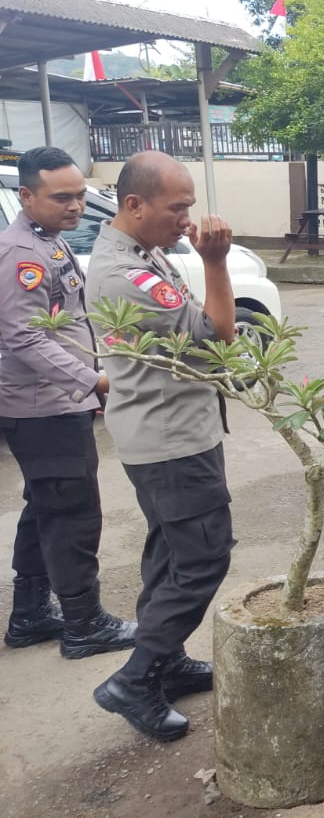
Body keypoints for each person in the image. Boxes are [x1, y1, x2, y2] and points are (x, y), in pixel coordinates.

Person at [86, 151, 237, 742]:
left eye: (189, 207)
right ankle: (136, 679)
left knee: (171, 555)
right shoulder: (126, 274)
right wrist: (216, 262)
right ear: (134, 205)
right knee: (203, 557)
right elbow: (217, 336)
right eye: (177, 208)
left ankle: (165, 659)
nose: (187, 220)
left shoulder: (141, 253)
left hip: (167, 431)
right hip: (172, 440)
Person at [0, 146, 137, 658]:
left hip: (55, 402)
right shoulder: (22, 254)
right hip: (44, 407)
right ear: (27, 195)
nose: (76, 205)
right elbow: (23, 336)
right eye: (62, 197)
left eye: (80, 195)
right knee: (72, 514)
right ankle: (84, 625)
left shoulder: (47, 240)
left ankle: (31, 615)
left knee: (45, 507)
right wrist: (92, 381)